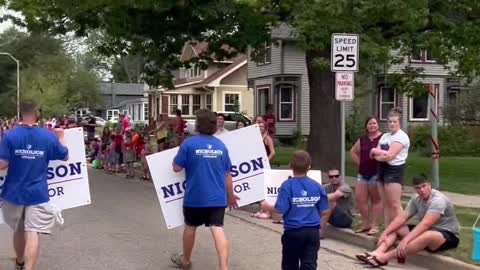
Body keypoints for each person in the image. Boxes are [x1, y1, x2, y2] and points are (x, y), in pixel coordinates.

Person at [0, 100, 69, 270]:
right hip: (38, 193)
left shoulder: (9, 135)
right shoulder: (48, 136)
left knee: (18, 230)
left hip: (13, 193)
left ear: (21, 114)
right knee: (33, 231)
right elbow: (65, 156)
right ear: (37, 113)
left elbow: (2, 164)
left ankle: (20, 261)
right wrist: (60, 137)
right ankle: (29, 268)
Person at [171, 109, 238, 270]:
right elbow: (228, 175)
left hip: (195, 196)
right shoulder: (221, 146)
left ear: (197, 125)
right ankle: (223, 266)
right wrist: (231, 196)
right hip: (217, 197)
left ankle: (185, 260)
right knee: (217, 228)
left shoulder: (189, 144)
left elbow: (176, 168)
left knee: (190, 226)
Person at [356, 175, 460, 267]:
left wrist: (405, 240)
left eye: (424, 186)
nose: (422, 190)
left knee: (428, 235)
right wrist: (385, 232)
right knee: (398, 228)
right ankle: (377, 253)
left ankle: (384, 258)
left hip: (447, 235)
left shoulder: (438, 200)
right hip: (428, 230)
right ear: (414, 189)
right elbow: (402, 218)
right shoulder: (416, 198)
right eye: (418, 188)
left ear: (429, 185)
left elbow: (425, 224)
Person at [260, 150, 329, 270]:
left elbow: (280, 209)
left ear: (290, 166)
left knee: (290, 264)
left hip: (293, 231)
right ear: (309, 167)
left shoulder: (287, 185)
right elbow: (324, 210)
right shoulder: (317, 186)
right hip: (312, 232)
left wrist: (266, 207)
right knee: (309, 264)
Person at [370, 107, 410, 226]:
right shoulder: (385, 136)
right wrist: (378, 153)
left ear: (399, 123)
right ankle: (388, 229)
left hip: (394, 171)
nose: (392, 124)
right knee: (385, 203)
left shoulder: (401, 137)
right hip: (381, 169)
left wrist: (377, 152)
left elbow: (389, 156)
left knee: (395, 204)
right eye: (390, 121)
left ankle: (403, 231)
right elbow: (373, 155)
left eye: (394, 121)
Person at [350, 116, 383, 235]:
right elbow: (353, 152)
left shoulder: (383, 138)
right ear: (366, 126)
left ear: (378, 125)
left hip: (376, 173)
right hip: (362, 174)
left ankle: (374, 225)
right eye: (370, 124)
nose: (372, 126)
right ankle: (365, 223)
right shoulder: (362, 139)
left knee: (376, 200)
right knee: (360, 199)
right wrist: (360, 163)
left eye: (374, 123)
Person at [320, 168, 354, 238]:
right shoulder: (326, 187)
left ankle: (320, 233)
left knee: (330, 202)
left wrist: (314, 197)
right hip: (332, 218)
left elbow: (334, 196)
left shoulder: (345, 187)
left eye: (336, 176)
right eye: (331, 177)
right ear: (328, 178)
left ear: (340, 176)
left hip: (346, 219)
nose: (334, 178)